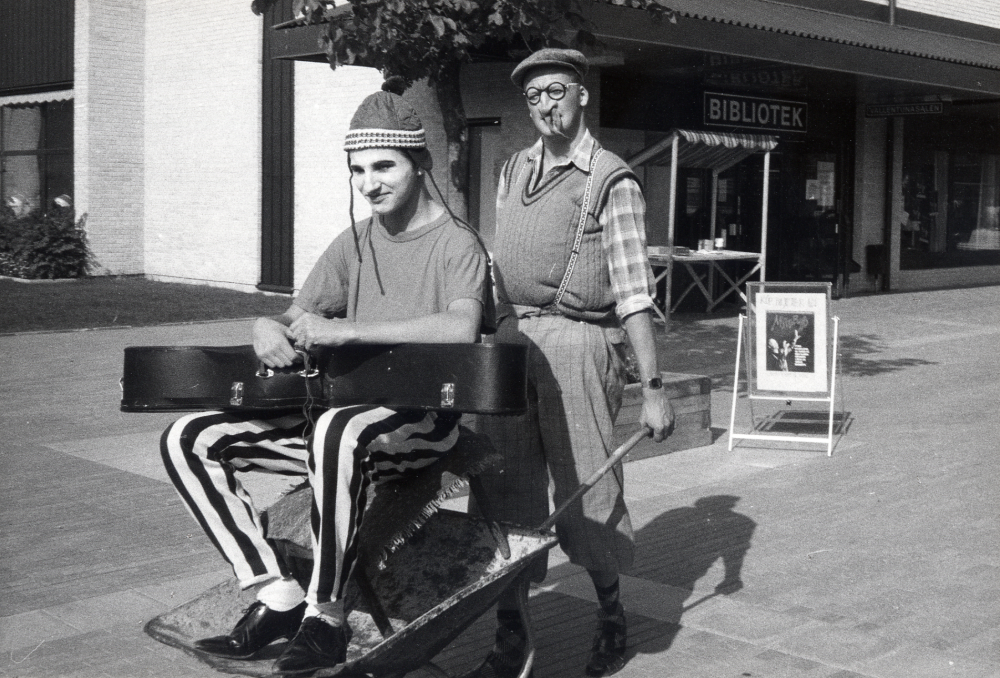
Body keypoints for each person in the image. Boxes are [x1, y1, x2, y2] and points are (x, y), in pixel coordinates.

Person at [160, 83, 490, 676]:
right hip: (336, 421)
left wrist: (349, 331)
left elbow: (463, 326)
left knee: (337, 429)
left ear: (420, 164)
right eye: (358, 170)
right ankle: (275, 591)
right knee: (187, 436)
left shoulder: (457, 241)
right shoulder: (353, 242)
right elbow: (295, 314)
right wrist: (267, 323)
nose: (370, 183)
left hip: (419, 423)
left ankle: (327, 615)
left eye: (385, 166)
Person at [468, 48, 673, 678]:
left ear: (582, 95)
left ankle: (612, 616)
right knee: (501, 488)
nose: (543, 106)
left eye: (555, 91)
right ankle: (510, 634)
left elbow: (635, 292)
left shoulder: (612, 179)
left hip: (580, 345)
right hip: (511, 343)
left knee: (588, 486)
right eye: (532, 97)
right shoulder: (512, 170)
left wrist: (653, 387)